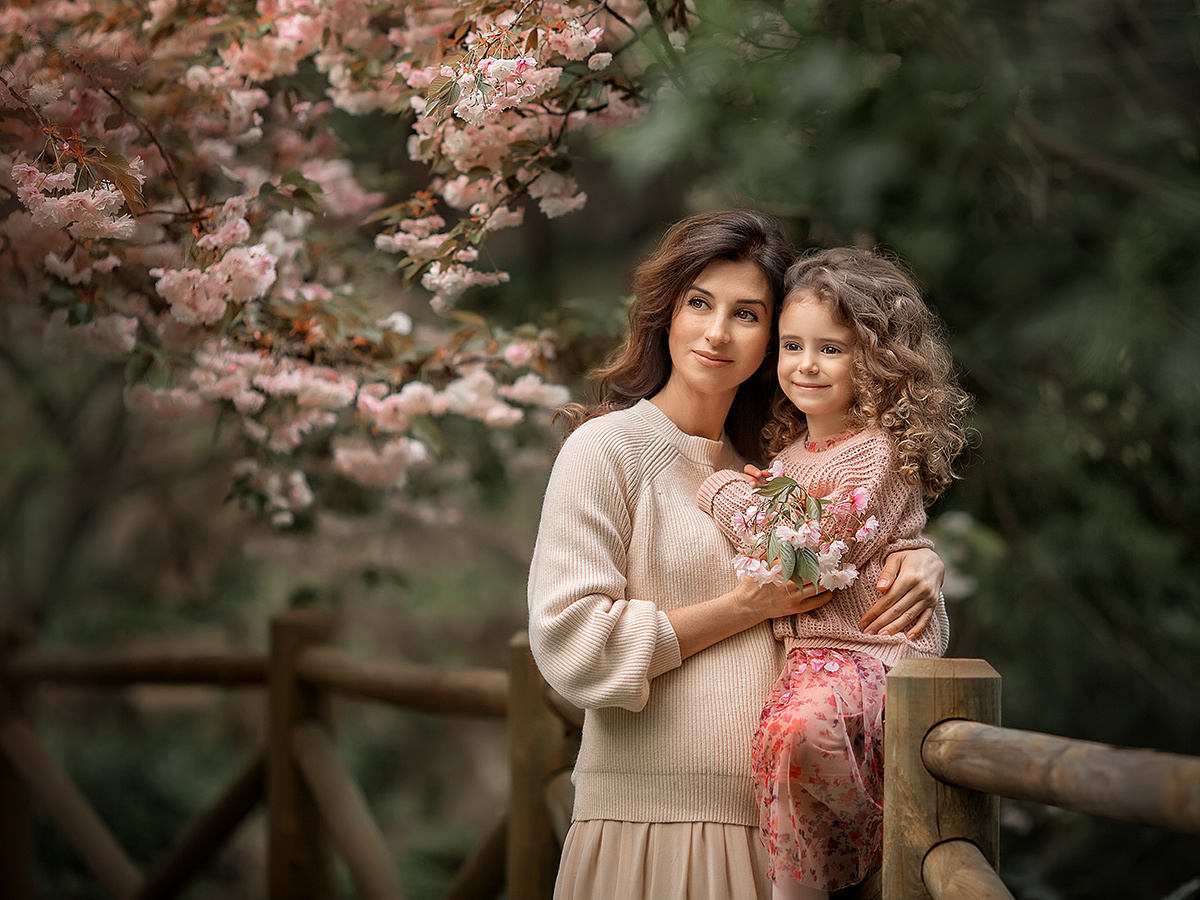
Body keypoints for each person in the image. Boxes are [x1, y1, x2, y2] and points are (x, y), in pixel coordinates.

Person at [526, 211, 947, 900]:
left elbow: (863, 612)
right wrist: (743, 607)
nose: (718, 332)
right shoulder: (607, 451)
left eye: (747, 314)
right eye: (699, 303)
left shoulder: (777, 469)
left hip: (779, 843)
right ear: (668, 314)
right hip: (650, 826)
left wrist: (920, 559)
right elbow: (573, 644)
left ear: (774, 339)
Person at [696, 246, 972, 899]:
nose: (805, 365)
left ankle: (871, 853)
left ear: (876, 363)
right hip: (815, 658)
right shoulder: (789, 456)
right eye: (792, 345)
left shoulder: (871, 453)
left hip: (869, 651)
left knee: (795, 734)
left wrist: (722, 492)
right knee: (779, 746)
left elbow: (812, 558)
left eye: (832, 349)